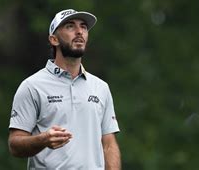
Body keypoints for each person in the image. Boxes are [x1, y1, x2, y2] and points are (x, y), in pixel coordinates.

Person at [8, 9, 121, 169]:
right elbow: (15, 145)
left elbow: (109, 145)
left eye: (83, 27)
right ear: (54, 39)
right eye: (70, 26)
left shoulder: (101, 87)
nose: (79, 31)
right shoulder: (32, 86)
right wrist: (43, 140)